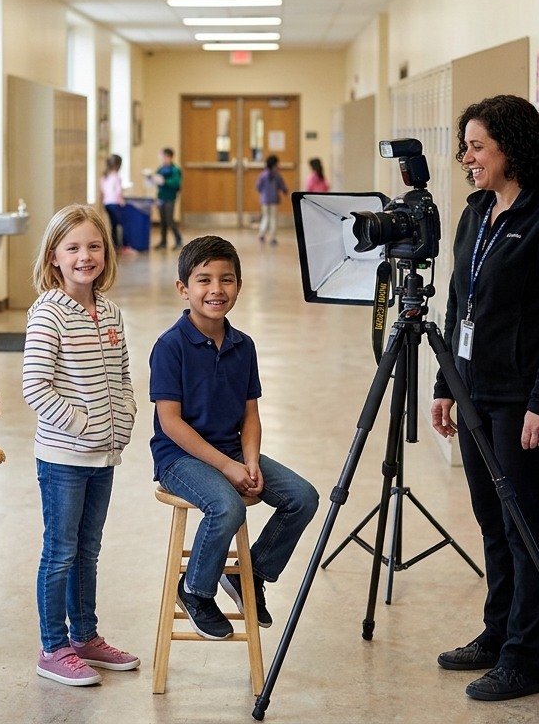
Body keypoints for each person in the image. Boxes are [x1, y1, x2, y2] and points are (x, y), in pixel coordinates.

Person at [431, 94, 539, 702]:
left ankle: (526, 658)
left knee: (525, 525)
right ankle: (497, 635)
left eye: (477, 147)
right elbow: (456, 303)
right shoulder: (476, 212)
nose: (465, 158)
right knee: (493, 523)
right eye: (465, 145)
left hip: (525, 400)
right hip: (474, 392)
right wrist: (447, 384)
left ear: (512, 150)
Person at [150, 236, 318, 640]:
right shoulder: (170, 347)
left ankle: (250, 573)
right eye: (204, 280)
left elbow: (250, 414)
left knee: (303, 497)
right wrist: (227, 466)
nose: (216, 290)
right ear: (183, 289)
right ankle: (194, 590)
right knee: (228, 508)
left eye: (226, 280)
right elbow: (170, 423)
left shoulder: (244, 346)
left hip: (230, 449)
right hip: (180, 459)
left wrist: (252, 459)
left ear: (239, 286)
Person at [23, 204, 140, 687]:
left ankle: (85, 637)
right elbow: (35, 386)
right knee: (60, 551)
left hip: (104, 456)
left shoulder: (110, 310)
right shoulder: (48, 312)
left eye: (94, 246)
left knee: (87, 550)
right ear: (54, 256)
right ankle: (53, 647)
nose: (84, 256)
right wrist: (83, 424)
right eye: (73, 248)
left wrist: (125, 415)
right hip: (64, 458)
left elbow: (124, 373)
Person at [99, 153, 133, 253]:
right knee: (121, 226)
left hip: (107, 204)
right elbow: (118, 192)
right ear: (118, 165)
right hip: (115, 204)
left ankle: (115, 246)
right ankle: (122, 246)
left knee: (113, 225)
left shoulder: (104, 176)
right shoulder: (116, 177)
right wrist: (122, 202)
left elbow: (102, 191)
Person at [152, 147, 183, 250]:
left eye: (163, 156)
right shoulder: (160, 169)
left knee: (169, 220)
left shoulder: (174, 170)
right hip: (161, 197)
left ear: (168, 157)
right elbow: (157, 182)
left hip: (170, 198)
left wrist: (164, 181)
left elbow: (176, 183)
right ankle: (163, 241)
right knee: (163, 221)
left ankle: (178, 240)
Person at [255, 155, 288, 245]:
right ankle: (272, 237)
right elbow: (282, 186)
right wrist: (285, 191)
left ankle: (262, 233)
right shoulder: (277, 176)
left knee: (265, 217)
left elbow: (258, 187)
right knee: (273, 218)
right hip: (274, 200)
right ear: (275, 165)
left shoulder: (263, 175)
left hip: (265, 200)